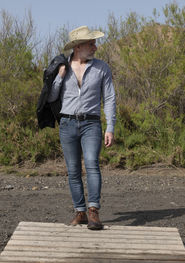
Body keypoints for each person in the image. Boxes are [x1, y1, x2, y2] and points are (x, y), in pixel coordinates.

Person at [47, 26, 116, 230]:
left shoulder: (102, 68)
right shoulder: (61, 67)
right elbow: (50, 97)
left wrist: (110, 126)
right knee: (73, 171)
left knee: (92, 164)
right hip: (67, 124)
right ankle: (80, 212)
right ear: (78, 47)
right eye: (91, 43)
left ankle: (93, 211)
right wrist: (59, 77)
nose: (95, 47)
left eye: (94, 43)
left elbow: (110, 99)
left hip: (91, 123)